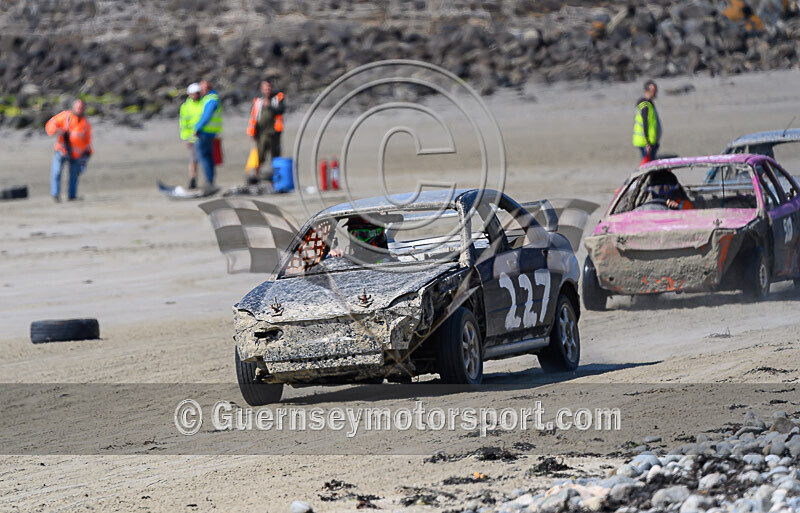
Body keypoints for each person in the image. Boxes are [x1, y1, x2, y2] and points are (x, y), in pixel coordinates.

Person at [45, 99, 92, 202]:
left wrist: (87, 154)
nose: (79, 109)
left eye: (81, 108)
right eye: (78, 107)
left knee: (74, 175)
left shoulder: (85, 123)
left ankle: (72, 195)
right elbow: (50, 124)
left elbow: (87, 140)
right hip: (62, 150)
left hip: (76, 154)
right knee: (57, 172)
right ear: (74, 107)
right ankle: (55, 195)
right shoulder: (65, 116)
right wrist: (57, 130)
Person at [245, 80, 285, 184]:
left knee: (275, 157)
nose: (267, 90)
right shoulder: (258, 101)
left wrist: (270, 106)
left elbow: (281, 110)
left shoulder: (277, 98)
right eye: (265, 88)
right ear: (261, 89)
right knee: (259, 156)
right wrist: (252, 132)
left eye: (269, 88)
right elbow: (254, 117)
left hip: (274, 133)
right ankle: (256, 177)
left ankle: (276, 179)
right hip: (261, 134)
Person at [193, 79, 223, 187]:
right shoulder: (209, 98)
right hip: (210, 132)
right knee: (209, 157)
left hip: (206, 133)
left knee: (204, 157)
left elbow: (207, 116)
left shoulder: (211, 99)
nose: (200, 90)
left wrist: (197, 128)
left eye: (202, 87)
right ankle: (210, 181)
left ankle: (209, 181)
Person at [179, 83, 204, 189]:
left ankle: (207, 180)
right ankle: (193, 179)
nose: (196, 95)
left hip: (204, 135)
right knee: (193, 160)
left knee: (204, 159)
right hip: (193, 138)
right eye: (194, 93)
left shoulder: (204, 103)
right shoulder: (185, 107)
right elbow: (184, 124)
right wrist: (186, 139)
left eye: (198, 93)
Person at [632, 80, 662, 162]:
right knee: (647, 164)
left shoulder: (650, 103)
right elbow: (645, 123)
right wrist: (647, 143)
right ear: (647, 91)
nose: (655, 92)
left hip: (651, 141)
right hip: (645, 142)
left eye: (655, 90)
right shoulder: (645, 104)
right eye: (653, 90)